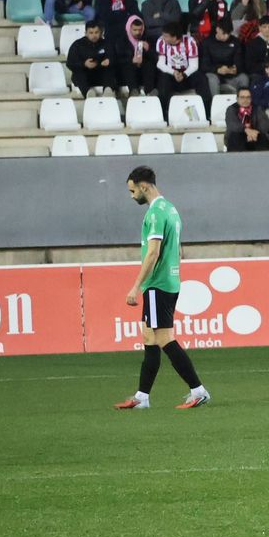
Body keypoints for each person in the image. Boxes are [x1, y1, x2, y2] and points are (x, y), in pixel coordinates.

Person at [115, 167, 211, 410]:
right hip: (168, 281)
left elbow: (153, 253)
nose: (132, 196)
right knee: (149, 336)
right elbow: (177, 249)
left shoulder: (156, 213)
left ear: (144, 186)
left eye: (133, 191)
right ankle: (142, 397)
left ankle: (198, 390)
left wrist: (136, 286)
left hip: (158, 284)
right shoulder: (170, 209)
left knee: (164, 338)